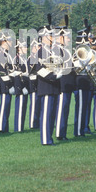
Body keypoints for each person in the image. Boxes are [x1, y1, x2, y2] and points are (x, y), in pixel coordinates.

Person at [35, 14, 62, 146]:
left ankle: (49, 138)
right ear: (44, 37)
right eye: (51, 35)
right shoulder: (40, 52)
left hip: (54, 87)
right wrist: (54, 76)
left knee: (51, 115)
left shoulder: (53, 51)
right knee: (46, 115)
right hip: (46, 86)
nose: (53, 38)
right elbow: (39, 70)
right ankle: (45, 140)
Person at [55, 15, 75, 141]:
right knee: (61, 109)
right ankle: (59, 133)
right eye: (67, 37)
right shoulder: (57, 50)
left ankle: (62, 132)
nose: (69, 39)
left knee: (65, 109)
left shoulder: (65, 50)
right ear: (61, 37)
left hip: (68, 84)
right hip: (62, 84)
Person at [0, 22, 15, 134]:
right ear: (4, 41)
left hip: (9, 82)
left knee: (7, 106)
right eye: (10, 40)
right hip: (5, 84)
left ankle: (5, 127)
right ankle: (2, 127)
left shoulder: (7, 53)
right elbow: (3, 72)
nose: (12, 42)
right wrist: (10, 84)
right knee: (4, 106)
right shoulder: (1, 54)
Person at [13, 40, 29, 133]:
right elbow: (18, 75)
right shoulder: (17, 59)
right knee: (20, 108)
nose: (26, 49)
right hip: (21, 85)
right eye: (24, 47)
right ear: (19, 49)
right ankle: (18, 128)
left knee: (23, 107)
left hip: (25, 84)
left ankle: (21, 127)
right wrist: (22, 87)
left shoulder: (23, 58)